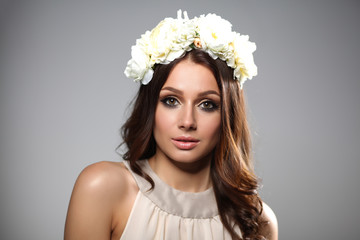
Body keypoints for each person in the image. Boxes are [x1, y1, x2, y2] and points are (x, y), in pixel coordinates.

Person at [64, 10, 278, 240]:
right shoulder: (102, 188)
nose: (187, 122)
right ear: (151, 107)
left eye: (207, 105)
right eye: (171, 101)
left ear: (228, 114)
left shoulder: (258, 220)